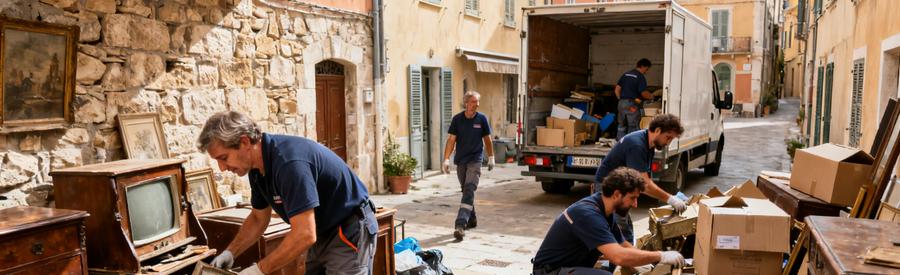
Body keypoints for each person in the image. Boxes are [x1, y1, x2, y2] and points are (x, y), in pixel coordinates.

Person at [199, 111, 377, 275]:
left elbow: (305, 234)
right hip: (322, 230)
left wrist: (258, 271)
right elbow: (258, 218)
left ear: (245, 142)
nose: (222, 168)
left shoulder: (288, 163)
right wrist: (231, 252)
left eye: (223, 158)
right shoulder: (256, 169)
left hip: (348, 227)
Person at [533, 167, 686, 275]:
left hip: (569, 267)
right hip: (550, 272)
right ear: (617, 194)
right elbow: (619, 256)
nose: (635, 204)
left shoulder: (604, 209)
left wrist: (650, 265)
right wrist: (661, 256)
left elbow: (624, 246)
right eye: (632, 198)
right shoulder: (588, 215)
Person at [593, 114, 687, 243]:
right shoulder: (637, 145)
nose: (668, 143)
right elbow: (644, 184)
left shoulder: (648, 144)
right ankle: (620, 260)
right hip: (610, 189)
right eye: (668, 137)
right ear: (658, 130)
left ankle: (622, 260)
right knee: (619, 231)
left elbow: (643, 180)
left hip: (621, 188)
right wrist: (670, 199)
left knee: (624, 229)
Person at [441, 91, 495, 241]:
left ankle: (460, 225)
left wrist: (491, 157)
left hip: (475, 160)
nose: (476, 104)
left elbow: (488, 140)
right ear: (466, 103)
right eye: (473, 101)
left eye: (477, 102)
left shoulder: (482, 119)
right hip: (461, 161)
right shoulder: (457, 119)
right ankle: (472, 219)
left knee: (469, 188)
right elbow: (451, 140)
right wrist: (446, 159)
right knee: (466, 191)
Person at [615, 58, 654, 140]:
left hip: (621, 103)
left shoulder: (625, 74)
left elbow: (617, 89)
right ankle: (631, 144)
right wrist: (651, 96)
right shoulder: (640, 77)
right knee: (633, 126)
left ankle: (619, 144)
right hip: (632, 105)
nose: (646, 72)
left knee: (621, 125)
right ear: (642, 66)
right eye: (646, 69)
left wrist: (621, 100)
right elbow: (644, 93)